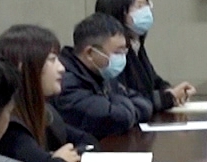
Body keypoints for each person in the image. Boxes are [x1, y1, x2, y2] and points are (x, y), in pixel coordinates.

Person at [0, 24, 94, 162]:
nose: (62, 68)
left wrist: (61, 158)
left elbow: (88, 141)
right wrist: (58, 161)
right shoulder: (7, 123)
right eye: (52, 60)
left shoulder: (44, 111)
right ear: (23, 67)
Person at [95, 0, 195, 112]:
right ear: (119, 13)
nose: (146, 10)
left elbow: (154, 82)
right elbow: (125, 98)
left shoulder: (136, 46)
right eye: (139, 6)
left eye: (147, 4)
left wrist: (171, 91)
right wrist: (167, 97)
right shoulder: (113, 54)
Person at [53, 13, 152, 141]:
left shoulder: (100, 73)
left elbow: (144, 103)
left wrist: (122, 107)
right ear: (90, 53)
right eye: (117, 52)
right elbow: (117, 118)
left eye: (124, 51)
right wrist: (123, 106)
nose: (123, 57)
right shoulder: (65, 83)